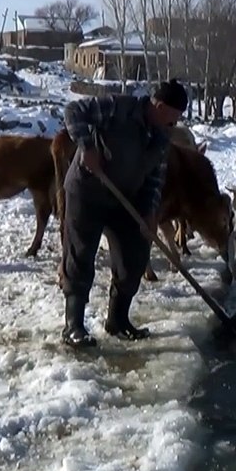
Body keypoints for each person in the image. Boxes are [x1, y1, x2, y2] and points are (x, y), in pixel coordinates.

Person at [58, 79, 188, 349]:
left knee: (135, 255)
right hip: (88, 190)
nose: (174, 124)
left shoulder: (162, 137)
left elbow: (155, 177)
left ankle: (118, 321)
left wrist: (150, 212)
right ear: (160, 107)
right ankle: (73, 326)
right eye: (173, 118)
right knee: (80, 255)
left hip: (126, 199)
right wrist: (87, 146)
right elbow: (73, 112)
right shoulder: (118, 107)